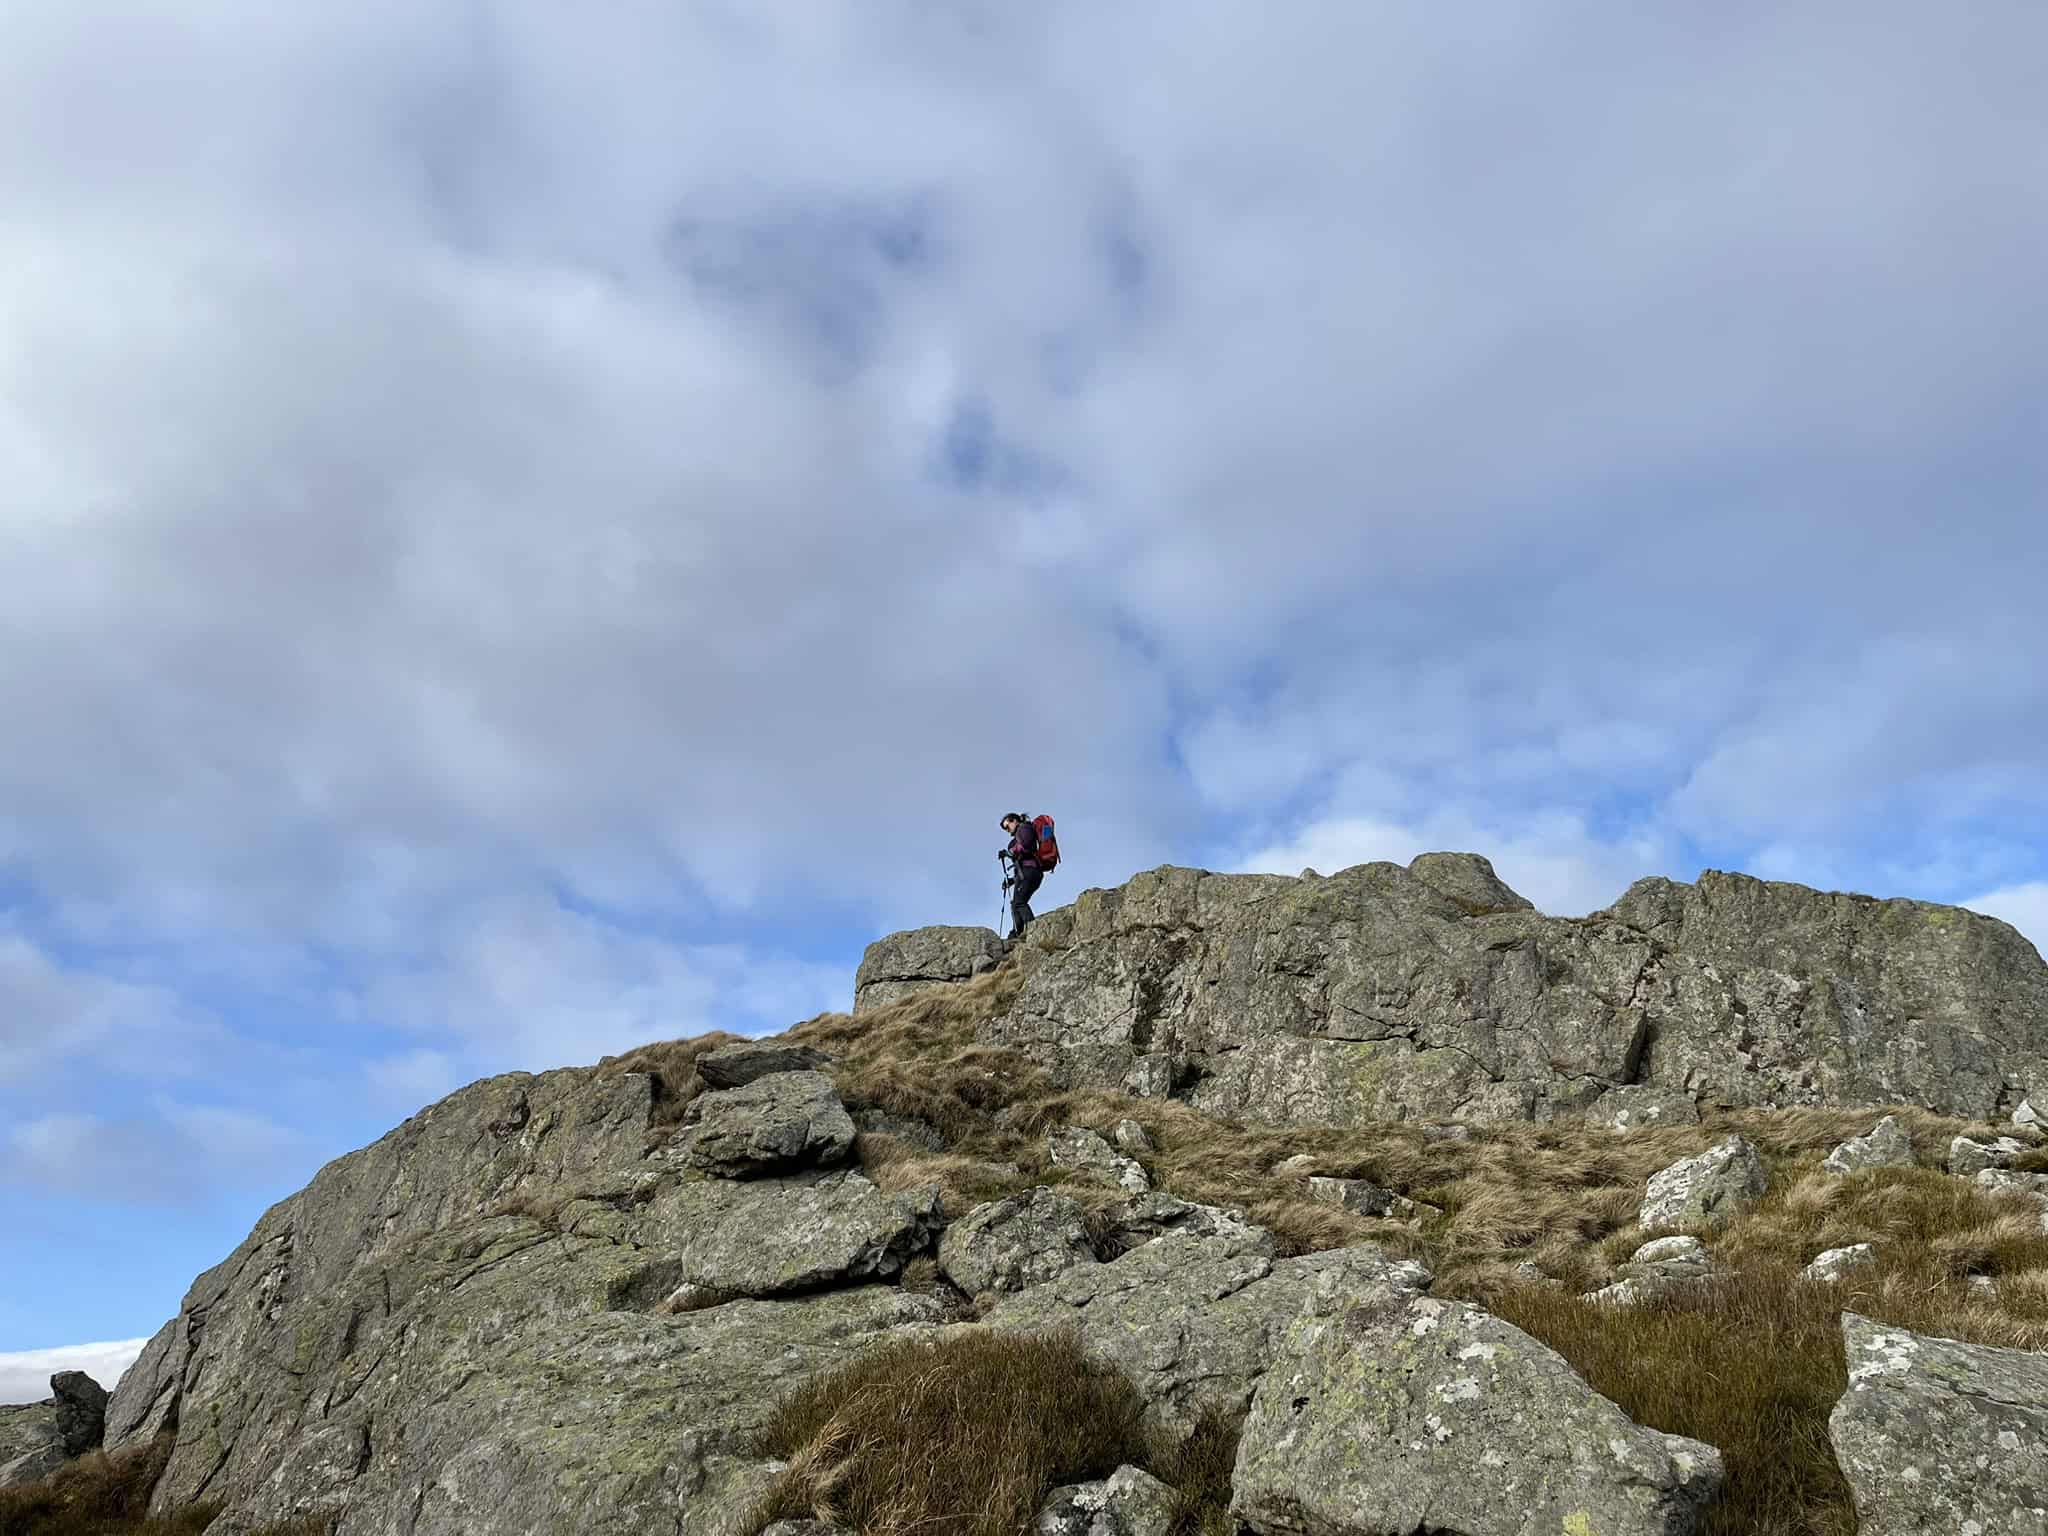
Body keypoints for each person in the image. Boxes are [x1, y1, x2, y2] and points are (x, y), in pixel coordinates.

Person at [999, 812, 1046, 941]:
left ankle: (1032, 930)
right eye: (1005, 829)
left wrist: (1010, 852)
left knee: (1019, 902)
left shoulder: (1024, 828)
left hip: (1030, 871)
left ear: (1014, 820)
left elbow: (1026, 845)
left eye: (1007, 826)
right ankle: (1017, 932)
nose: (1007, 830)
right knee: (1015, 904)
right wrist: (1012, 881)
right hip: (1027, 873)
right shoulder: (1020, 833)